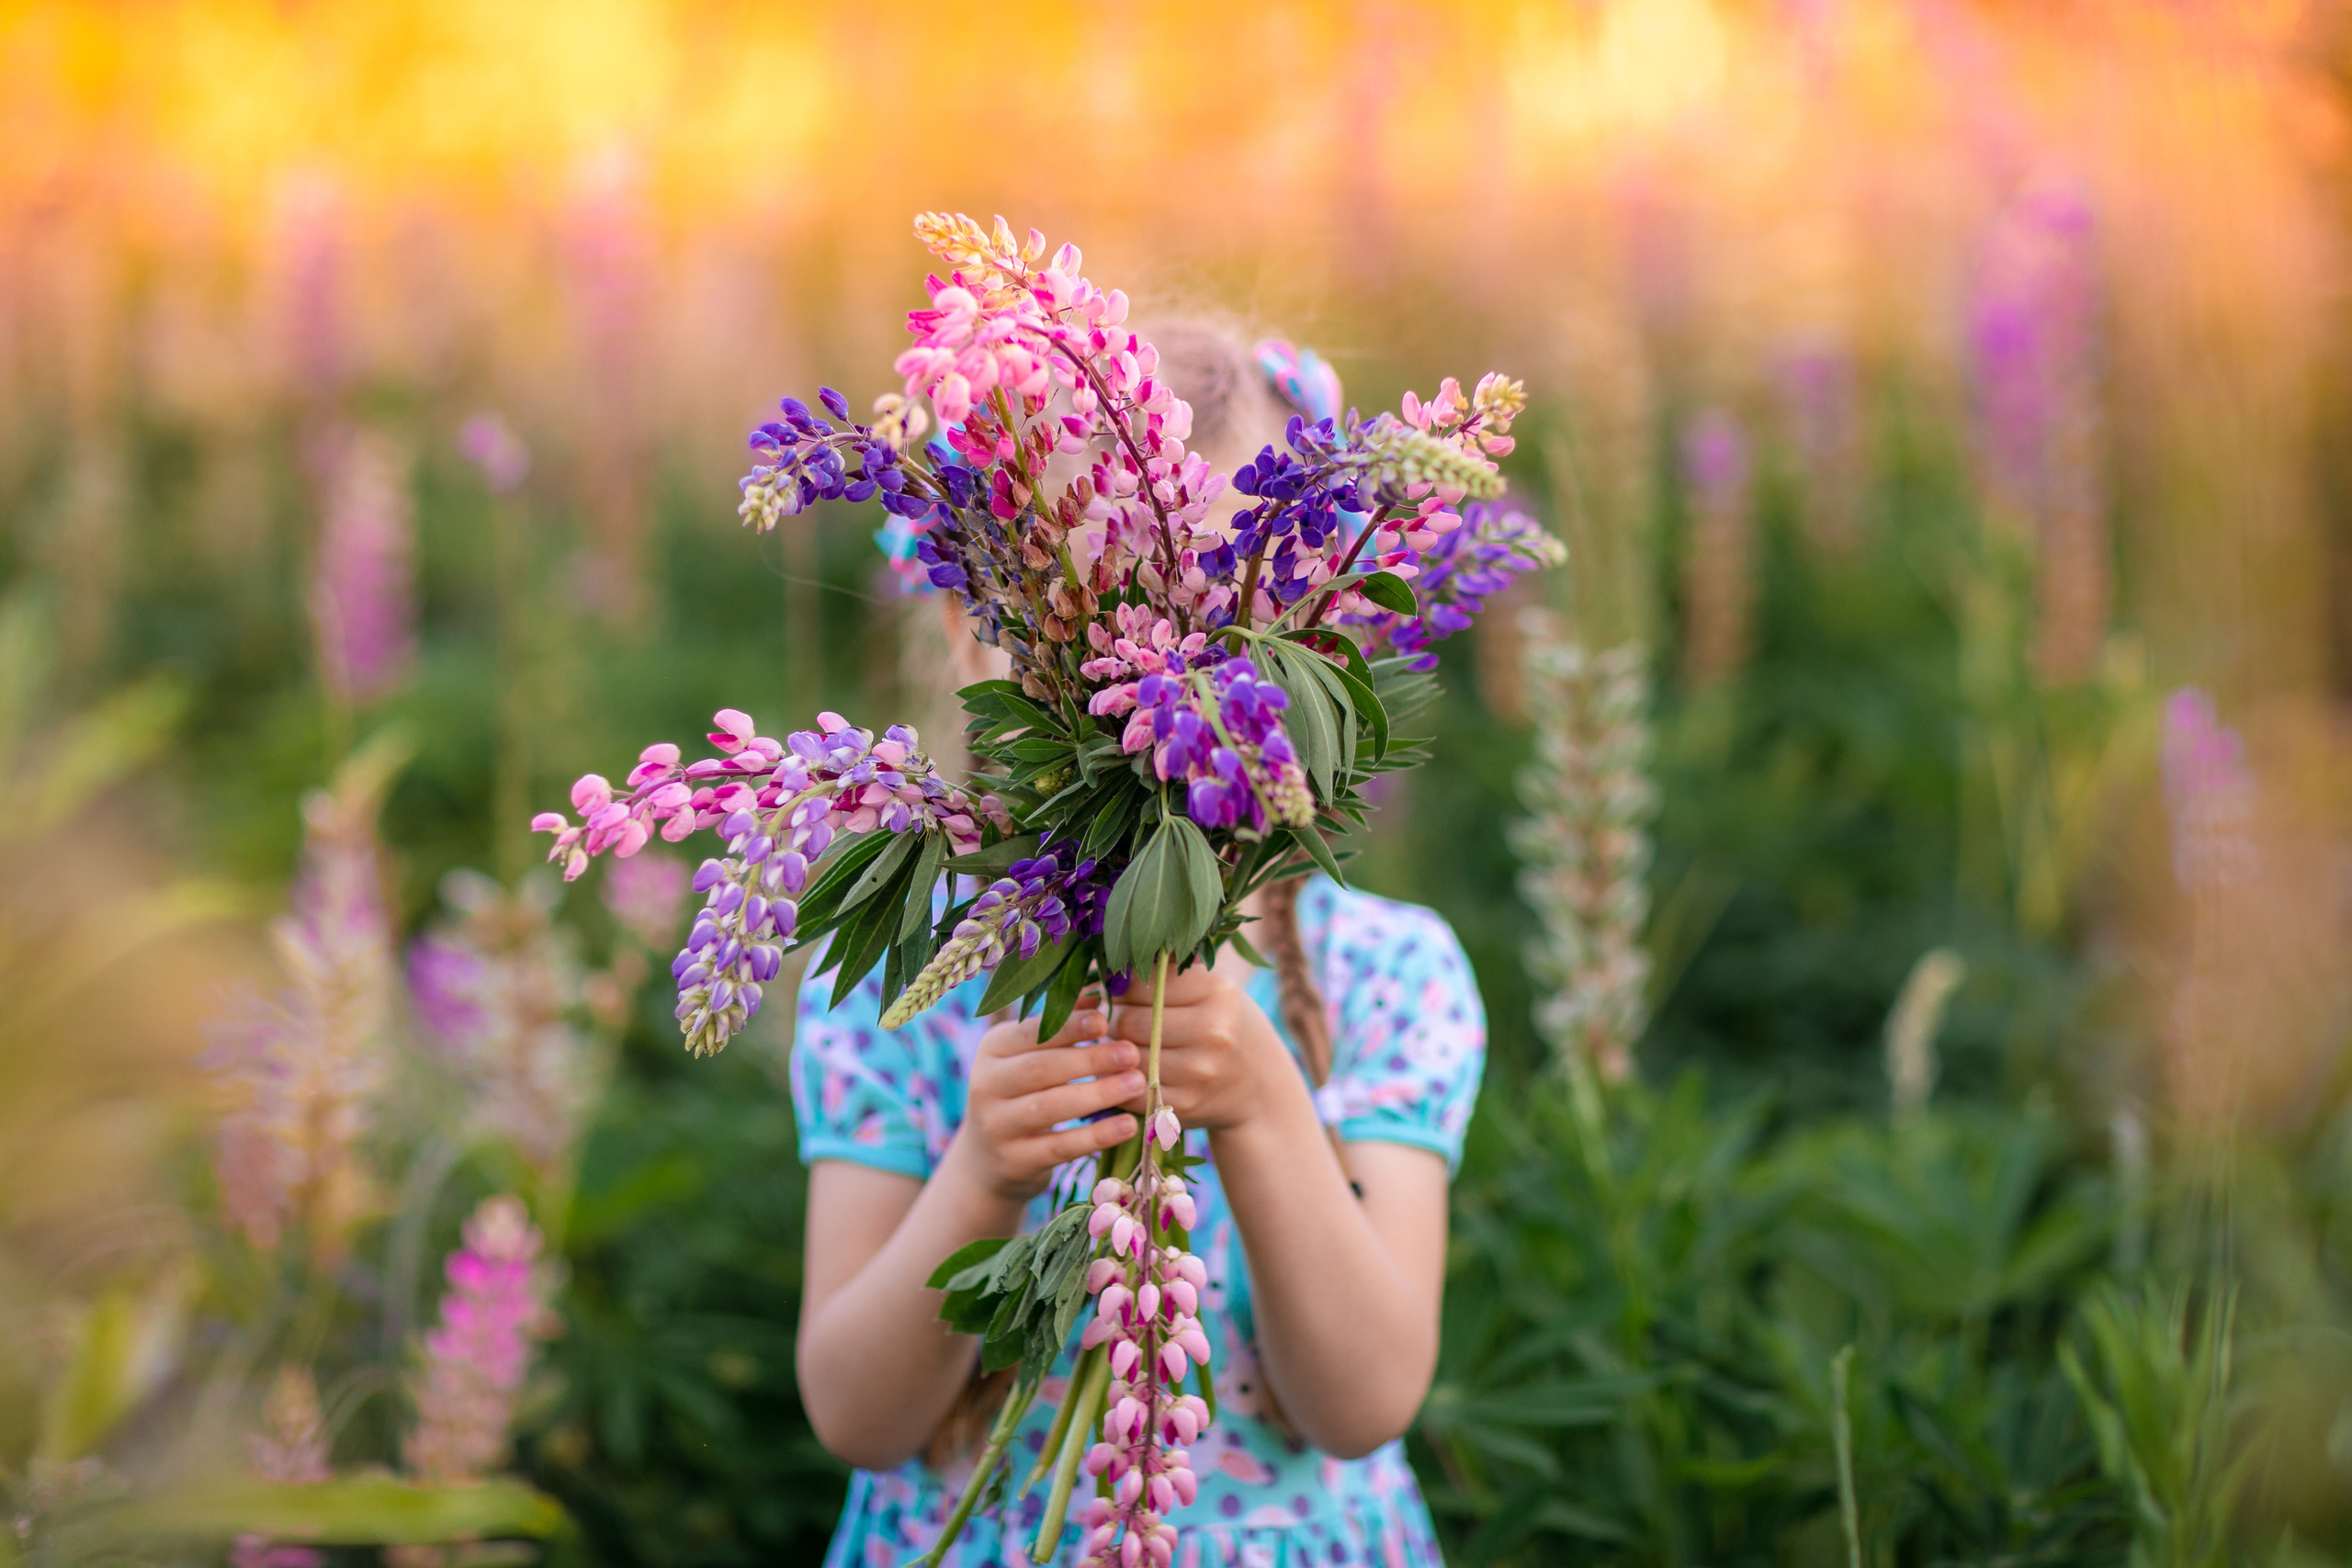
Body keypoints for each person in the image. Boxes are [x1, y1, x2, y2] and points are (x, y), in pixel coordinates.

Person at [790, 321, 1487, 1567]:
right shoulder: (908, 980)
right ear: (970, 637)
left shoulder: (1388, 974)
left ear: (1322, 654)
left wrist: (1266, 1101)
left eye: (1224, 627)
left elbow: (1367, 1402)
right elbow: (855, 1413)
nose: (1154, 685)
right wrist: (985, 1172)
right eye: (1079, 627)